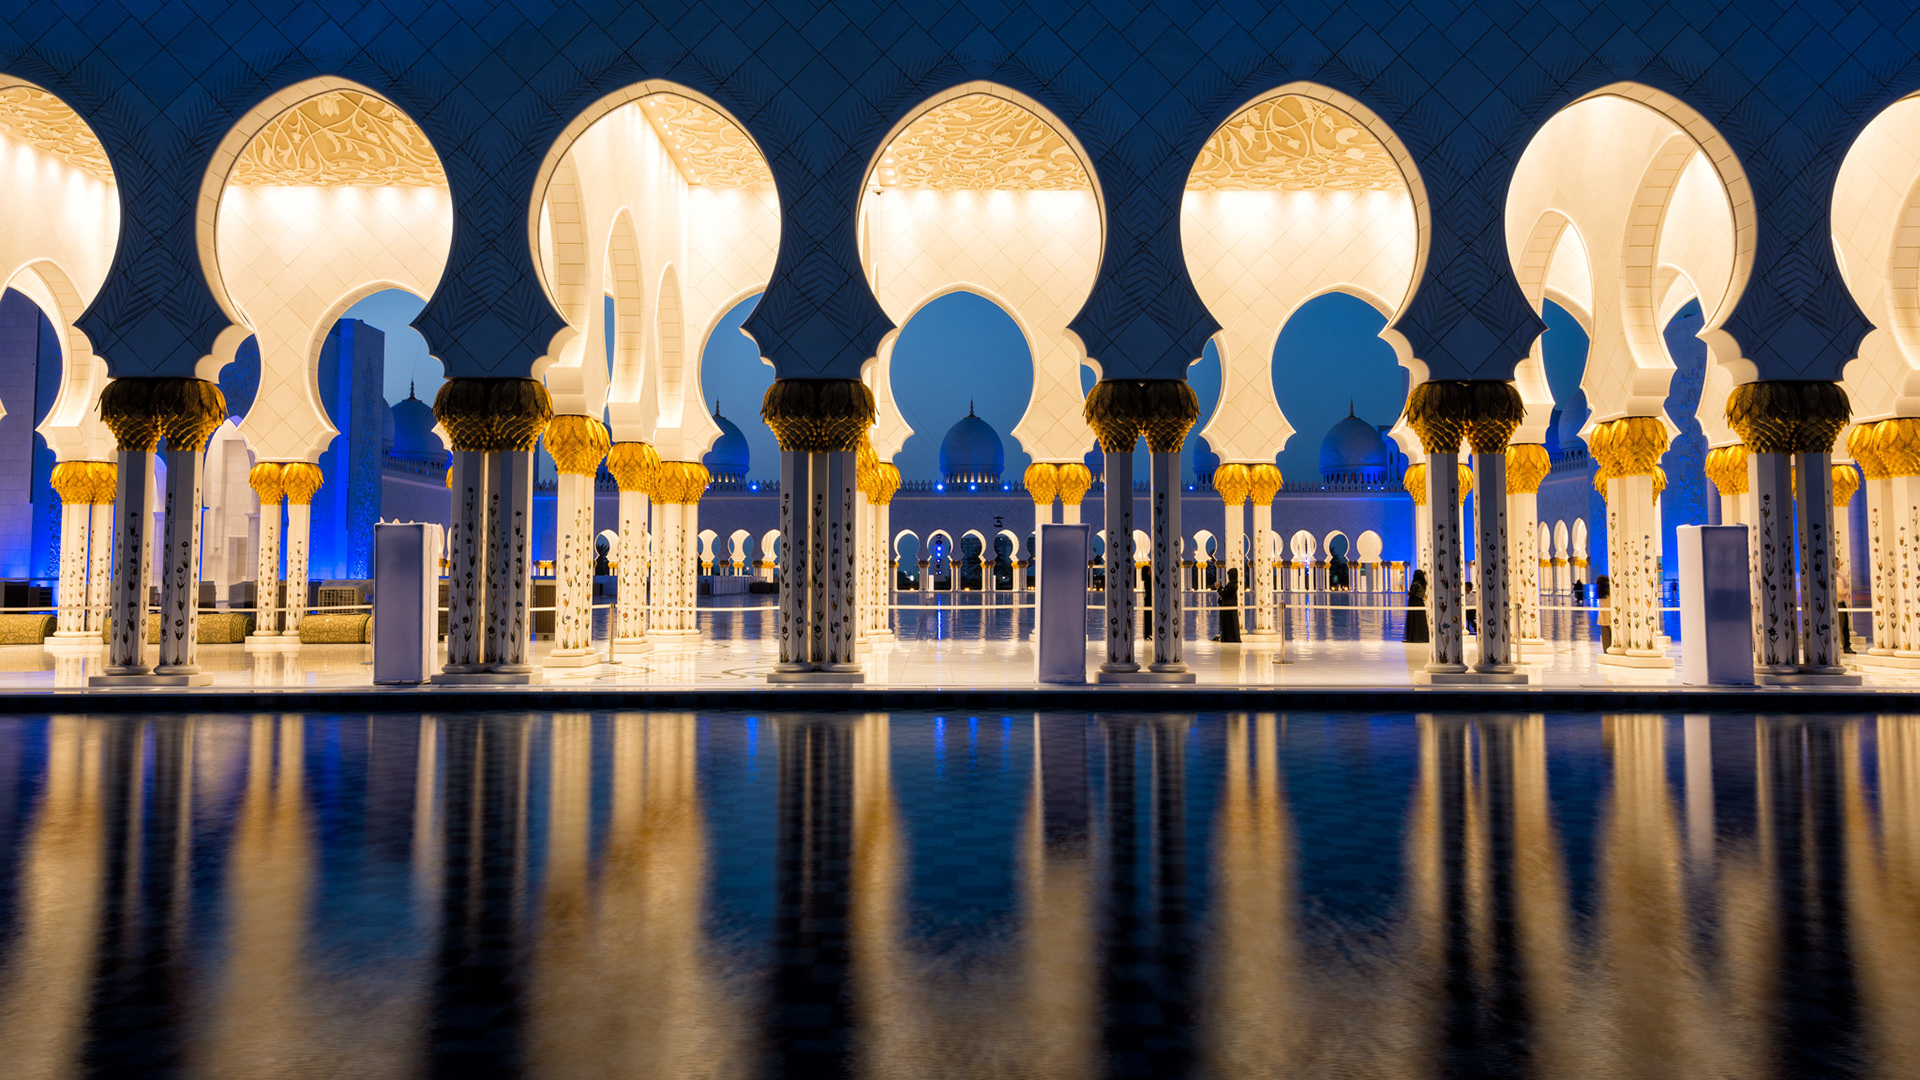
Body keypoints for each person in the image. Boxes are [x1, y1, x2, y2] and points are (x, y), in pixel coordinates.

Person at [1213, 567, 1242, 642]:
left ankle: (1230, 638)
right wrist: (1220, 588)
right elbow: (1225, 592)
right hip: (1227, 608)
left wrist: (1219, 588)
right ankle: (1225, 637)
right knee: (1227, 623)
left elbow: (1224, 593)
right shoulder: (1231, 585)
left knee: (1230, 623)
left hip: (1229, 608)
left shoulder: (1233, 585)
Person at [1404, 569, 1430, 643]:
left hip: (1414, 603)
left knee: (1413, 620)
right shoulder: (1423, 584)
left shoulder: (1416, 584)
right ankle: (1422, 637)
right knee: (1420, 621)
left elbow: (1411, 593)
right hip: (1420, 603)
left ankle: (1413, 638)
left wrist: (1408, 593)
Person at [1594, 574, 1613, 651]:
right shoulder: (1610, 591)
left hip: (1603, 616)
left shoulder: (1599, 592)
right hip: (1611, 615)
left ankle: (1606, 651)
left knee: (1605, 638)